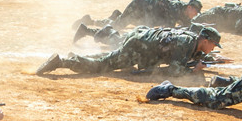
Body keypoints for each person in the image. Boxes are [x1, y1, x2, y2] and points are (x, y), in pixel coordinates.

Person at [36, 26, 222, 77]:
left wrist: (212, 59)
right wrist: (192, 70)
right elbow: (175, 69)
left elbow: (195, 55)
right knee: (103, 66)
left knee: (109, 58)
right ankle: (61, 62)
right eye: (213, 45)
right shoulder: (186, 43)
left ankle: (75, 58)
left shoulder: (192, 42)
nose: (213, 48)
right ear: (205, 40)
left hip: (141, 40)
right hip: (138, 49)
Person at [74, 0, 202, 32]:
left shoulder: (184, 11)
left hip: (147, 16)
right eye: (195, 11)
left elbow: (188, 26)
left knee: (128, 23)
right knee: (116, 27)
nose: (195, 14)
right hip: (140, 6)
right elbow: (169, 29)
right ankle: (89, 21)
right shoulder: (175, 9)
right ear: (189, 7)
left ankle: (118, 15)